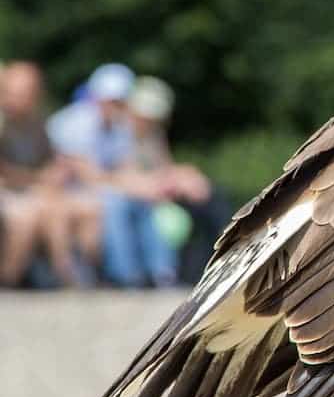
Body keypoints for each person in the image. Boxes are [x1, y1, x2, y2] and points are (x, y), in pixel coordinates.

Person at [47, 63, 178, 287]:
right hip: (69, 190)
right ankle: (126, 275)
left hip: (98, 189)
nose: (121, 106)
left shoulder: (119, 126)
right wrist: (133, 186)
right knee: (115, 204)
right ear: (100, 98)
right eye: (117, 101)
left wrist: (147, 187)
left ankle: (161, 272)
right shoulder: (73, 124)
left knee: (145, 202)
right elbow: (88, 175)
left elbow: (125, 167)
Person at [0, 61, 101, 286]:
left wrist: (57, 172)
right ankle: (11, 278)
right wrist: (37, 179)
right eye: (14, 92)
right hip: (12, 190)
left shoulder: (37, 123)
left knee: (87, 207)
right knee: (33, 212)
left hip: (35, 190)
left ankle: (78, 269)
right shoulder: (3, 123)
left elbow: (53, 158)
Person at [126, 76, 231, 283]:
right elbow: (124, 175)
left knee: (210, 194)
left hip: (158, 193)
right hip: (144, 197)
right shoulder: (124, 137)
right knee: (201, 207)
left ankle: (224, 248)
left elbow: (163, 168)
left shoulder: (153, 135)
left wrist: (184, 175)